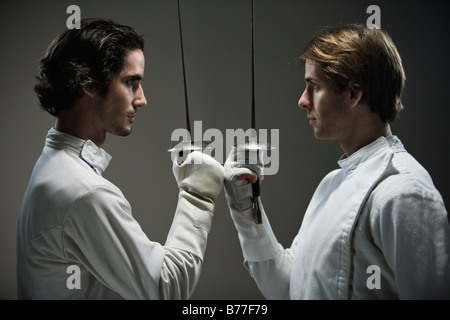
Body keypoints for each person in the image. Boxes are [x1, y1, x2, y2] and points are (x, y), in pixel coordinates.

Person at [224, 24, 450, 299]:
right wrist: (246, 207)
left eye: (314, 87)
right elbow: (289, 290)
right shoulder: (331, 185)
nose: (302, 101)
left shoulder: (404, 192)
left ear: (354, 94)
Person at [16, 18, 224, 299]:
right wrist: (198, 194)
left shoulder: (54, 166)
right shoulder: (84, 193)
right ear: (88, 82)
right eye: (131, 83)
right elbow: (167, 288)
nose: (142, 99)